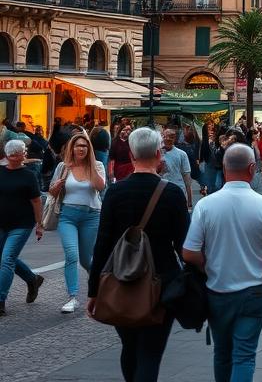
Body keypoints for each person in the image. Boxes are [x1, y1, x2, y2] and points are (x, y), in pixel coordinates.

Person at [183, 144, 262, 382]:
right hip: (253, 293)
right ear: (252, 168)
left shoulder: (206, 206)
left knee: (222, 353)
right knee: (244, 355)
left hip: (217, 291)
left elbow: (189, 253)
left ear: (224, 168)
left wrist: (207, 266)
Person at [87, 128, 190, 382]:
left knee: (129, 347)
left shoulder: (115, 192)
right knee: (150, 353)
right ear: (158, 153)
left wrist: (94, 290)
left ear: (131, 155)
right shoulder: (172, 193)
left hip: (121, 282)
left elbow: (102, 244)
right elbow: (184, 245)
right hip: (162, 282)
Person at [48, 133, 105, 314]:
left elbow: (100, 187)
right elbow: (51, 191)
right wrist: (56, 186)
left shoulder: (97, 165)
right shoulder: (63, 167)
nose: (81, 149)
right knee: (71, 255)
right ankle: (73, 297)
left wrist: (91, 165)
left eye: (85, 146)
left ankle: (100, 287)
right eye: (78, 146)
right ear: (71, 148)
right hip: (68, 216)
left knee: (87, 260)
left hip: (91, 216)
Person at [0, 139, 44, 317]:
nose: (15, 156)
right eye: (11, 154)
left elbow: (36, 201)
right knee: (5, 257)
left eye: (18, 153)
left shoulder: (28, 175)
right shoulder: (0, 172)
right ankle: (32, 279)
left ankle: (1, 300)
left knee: (7, 259)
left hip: (22, 224)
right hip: (1, 224)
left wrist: (39, 224)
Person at [159, 128, 193, 209]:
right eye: (165, 136)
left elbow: (187, 177)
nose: (168, 139)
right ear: (162, 137)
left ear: (175, 139)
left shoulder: (182, 154)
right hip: (161, 191)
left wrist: (190, 200)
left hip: (178, 190)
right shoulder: (157, 154)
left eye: (171, 137)